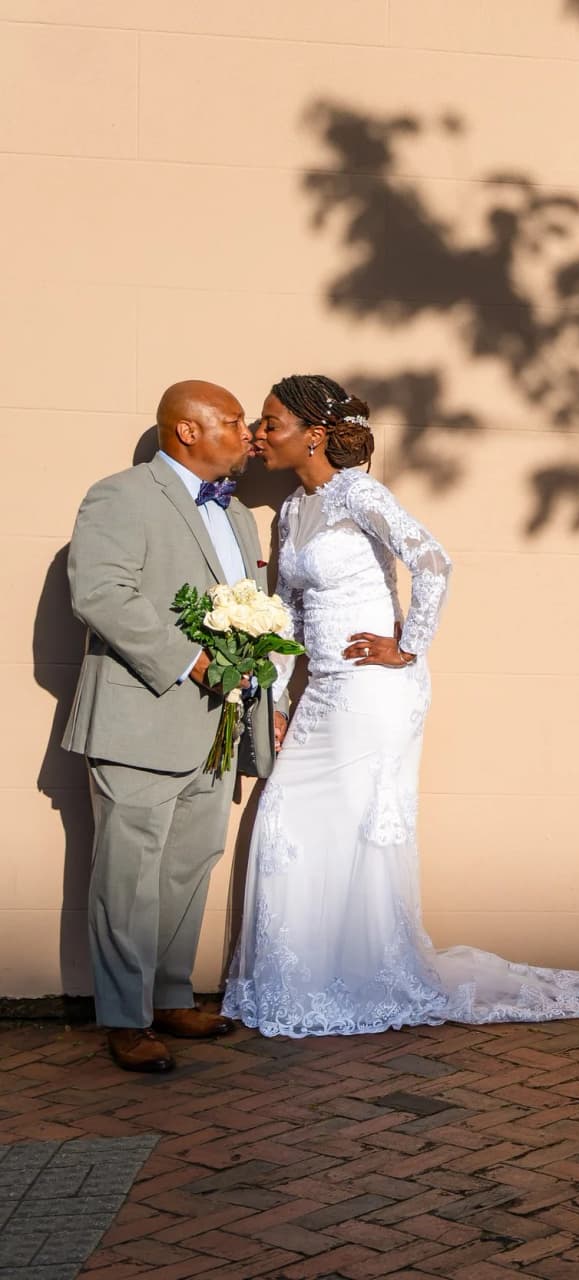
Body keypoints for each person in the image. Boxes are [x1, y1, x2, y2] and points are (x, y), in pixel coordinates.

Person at [222, 374, 579, 1036]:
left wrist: (407, 646)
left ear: (313, 435)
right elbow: (291, 613)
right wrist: (272, 691)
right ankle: (302, 986)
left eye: (271, 423)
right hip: (322, 693)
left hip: (375, 693)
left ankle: (362, 983)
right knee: (286, 826)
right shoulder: (295, 509)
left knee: (356, 834)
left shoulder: (361, 494)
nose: (259, 435)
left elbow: (433, 563)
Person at [64, 380, 278, 1073]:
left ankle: (170, 995)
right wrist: (190, 661)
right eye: (234, 422)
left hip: (219, 726)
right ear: (187, 430)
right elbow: (100, 591)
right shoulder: (121, 496)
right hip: (138, 721)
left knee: (190, 864)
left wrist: (250, 678)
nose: (247, 435)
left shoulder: (240, 515)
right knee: (128, 875)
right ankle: (125, 1019)